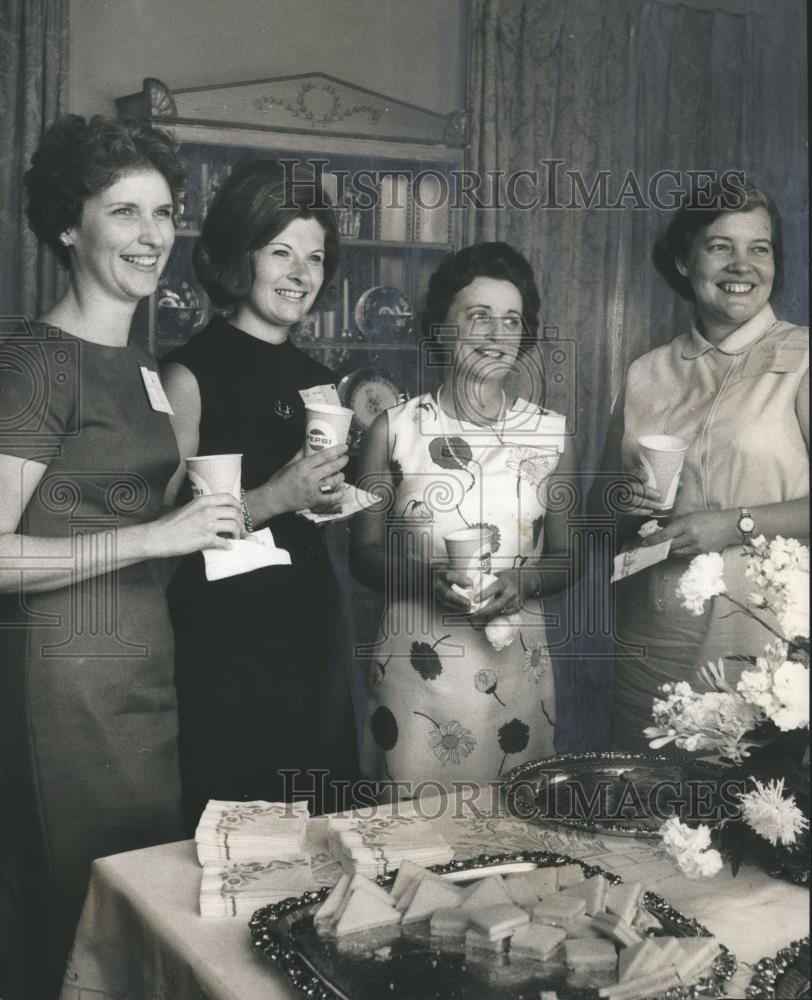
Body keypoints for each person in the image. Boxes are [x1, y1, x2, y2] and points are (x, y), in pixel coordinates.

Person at [0, 115, 243, 1000]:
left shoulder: (140, 366)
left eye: (164, 212)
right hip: (64, 688)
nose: (151, 237)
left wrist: (270, 502)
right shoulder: (34, 361)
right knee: (74, 916)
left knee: (134, 913)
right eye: (124, 212)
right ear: (70, 225)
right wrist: (154, 534)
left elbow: (152, 524)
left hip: (143, 677)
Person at [162, 159, 358, 830]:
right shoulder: (189, 374)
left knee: (318, 825)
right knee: (232, 835)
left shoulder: (320, 379)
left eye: (316, 255)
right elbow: (164, 535)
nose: (303, 272)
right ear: (241, 254)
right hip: (224, 641)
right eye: (282, 251)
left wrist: (327, 500)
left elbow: (312, 509)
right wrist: (276, 495)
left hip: (310, 626)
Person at [350, 242, 579, 792]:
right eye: (479, 317)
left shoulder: (551, 433)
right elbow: (361, 554)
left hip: (514, 672)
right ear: (441, 327)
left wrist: (522, 580)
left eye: (511, 320)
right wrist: (428, 581)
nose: (497, 335)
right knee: (407, 839)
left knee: (514, 839)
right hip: (417, 669)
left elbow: (567, 559)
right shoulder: (394, 428)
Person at [600, 180, 809, 751]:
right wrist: (624, 502)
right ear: (682, 259)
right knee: (647, 817)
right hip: (654, 642)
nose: (742, 264)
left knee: (754, 816)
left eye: (759, 248)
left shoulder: (803, 357)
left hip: (766, 648)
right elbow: (600, 512)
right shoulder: (646, 372)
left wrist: (733, 523)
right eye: (720, 246)